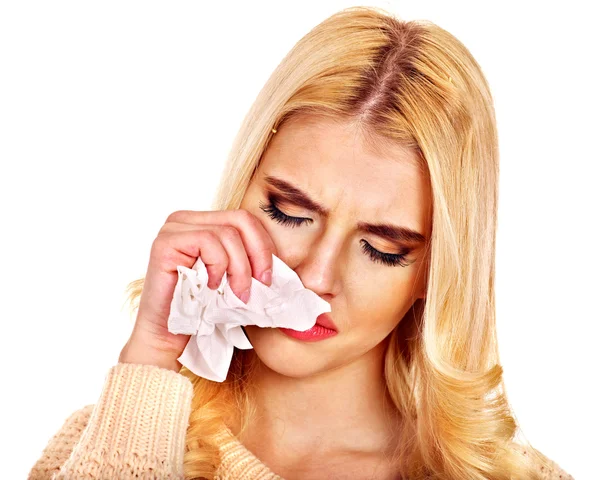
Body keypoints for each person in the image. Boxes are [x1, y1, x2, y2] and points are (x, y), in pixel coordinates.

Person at [28, 6, 573, 480]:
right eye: (289, 212)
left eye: (382, 248)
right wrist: (149, 364)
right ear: (243, 187)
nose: (316, 275)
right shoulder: (106, 438)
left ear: (435, 271)